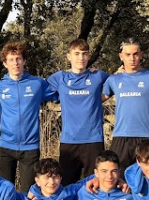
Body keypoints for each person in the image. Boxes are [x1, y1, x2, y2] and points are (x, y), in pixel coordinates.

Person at [0, 41, 57, 200]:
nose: (15, 63)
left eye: (18, 59)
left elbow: (60, 92)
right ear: (5, 63)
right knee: (5, 193)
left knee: (29, 195)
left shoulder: (37, 84)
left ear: (24, 61)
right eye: (11, 60)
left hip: (30, 148)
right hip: (6, 147)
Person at [46, 39, 109, 185]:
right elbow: (37, 87)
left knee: (95, 185)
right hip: (69, 141)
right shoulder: (59, 77)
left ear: (89, 56)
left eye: (84, 54)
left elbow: (118, 82)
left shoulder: (98, 76)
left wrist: (99, 99)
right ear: (69, 56)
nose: (81, 58)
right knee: (66, 185)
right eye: (76, 54)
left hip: (93, 140)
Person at [102, 38, 149, 173]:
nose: (132, 58)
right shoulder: (113, 79)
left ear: (141, 55)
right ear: (121, 56)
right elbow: (94, 100)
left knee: (148, 176)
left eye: (135, 54)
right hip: (121, 137)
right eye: (127, 54)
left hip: (146, 137)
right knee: (118, 177)